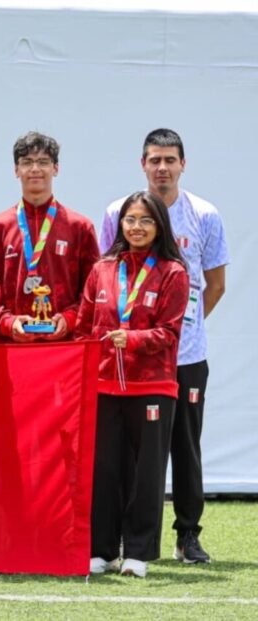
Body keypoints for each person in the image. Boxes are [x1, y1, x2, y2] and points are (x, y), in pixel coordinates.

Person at [99, 129, 228, 564]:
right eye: (154, 160)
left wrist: (175, 330)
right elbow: (108, 275)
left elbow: (215, 284)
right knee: (128, 450)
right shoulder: (119, 210)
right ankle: (119, 538)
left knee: (185, 447)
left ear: (183, 164)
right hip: (129, 359)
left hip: (186, 353)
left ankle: (187, 535)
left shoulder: (204, 214)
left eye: (170, 160)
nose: (162, 168)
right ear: (143, 164)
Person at [78, 190, 189, 578]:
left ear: (159, 226)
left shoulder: (173, 271)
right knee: (104, 470)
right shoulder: (102, 269)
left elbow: (171, 333)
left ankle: (138, 553)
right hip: (104, 384)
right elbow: (83, 324)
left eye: (145, 220)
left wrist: (135, 338)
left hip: (152, 386)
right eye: (130, 220)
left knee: (146, 473)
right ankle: (102, 550)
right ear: (120, 224)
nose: (136, 227)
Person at [0, 131, 99, 342]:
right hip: (9, 348)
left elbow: (94, 291)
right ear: (16, 170)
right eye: (27, 162)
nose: (35, 169)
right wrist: (8, 323)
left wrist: (70, 319)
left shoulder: (80, 227)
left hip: (64, 348)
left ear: (56, 168)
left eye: (43, 162)